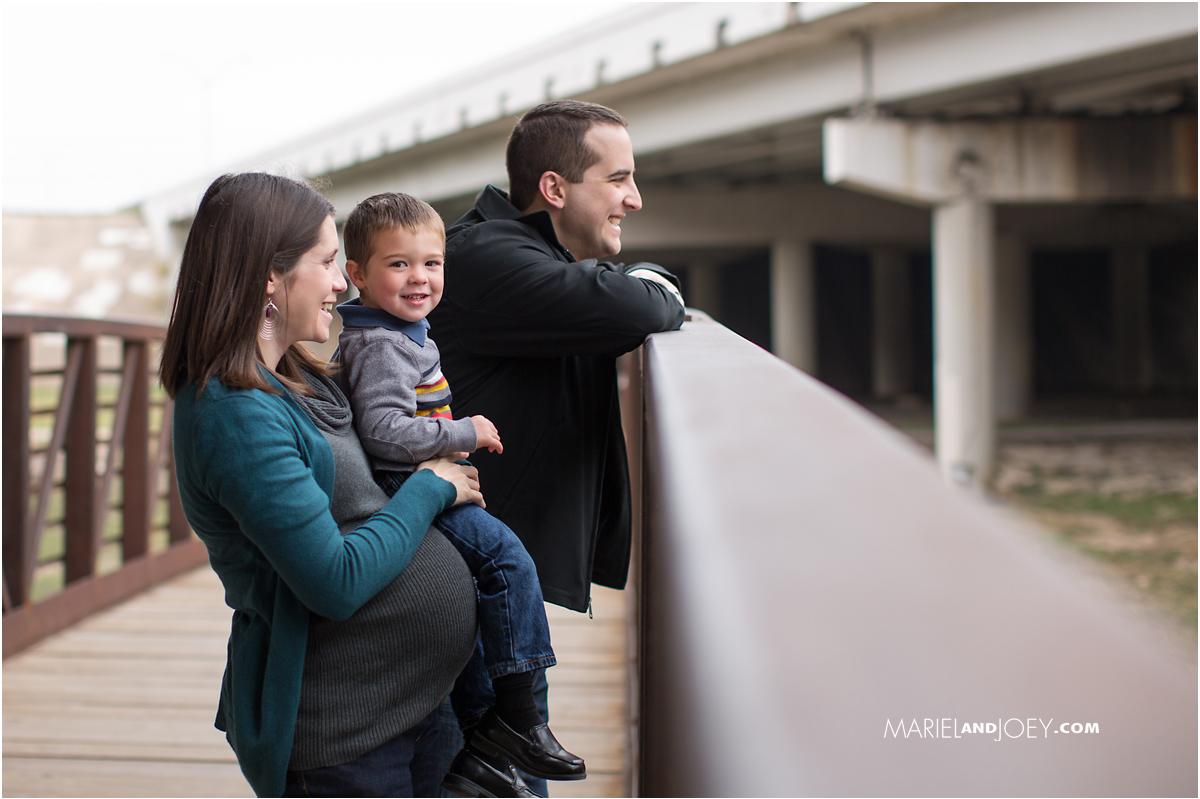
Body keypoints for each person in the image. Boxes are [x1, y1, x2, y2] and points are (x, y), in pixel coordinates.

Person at [161, 172, 529, 798]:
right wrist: (433, 487)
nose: (342, 283)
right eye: (329, 263)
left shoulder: (299, 374)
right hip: (345, 731)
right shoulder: (235, 412)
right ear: (267, 277)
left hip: (415, 697)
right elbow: (332, 581)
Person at [428, 99, 686, 781]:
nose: (634, 198)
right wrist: (657, 282)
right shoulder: (485, 258)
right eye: (618, 179)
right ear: (554, 188)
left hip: (478, 585)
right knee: (495, 777)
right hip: (456, 590)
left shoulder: (528, 259)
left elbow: (613, 301)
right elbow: (637, 305)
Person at [335, 192, 586, 789]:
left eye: (431, 263)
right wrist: (464, 431)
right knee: (505, 560)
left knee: (481, 586)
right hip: (405, 483)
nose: (419, 277)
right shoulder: (382, 343)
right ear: (356, 275)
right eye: (398, 264)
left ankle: (486, 736)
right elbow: (384, 431)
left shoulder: (403, 330)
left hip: (418, 476)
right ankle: (522, 716)